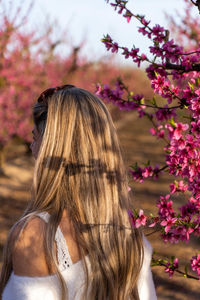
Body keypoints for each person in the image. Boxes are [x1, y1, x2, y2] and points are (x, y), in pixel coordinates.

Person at [0, 85, 157, 300]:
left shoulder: (35, 236)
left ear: (52, 149)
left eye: (35, 138)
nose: (31, 148)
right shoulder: (133, 239)